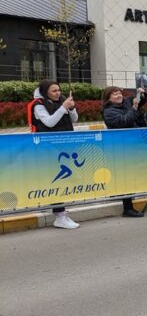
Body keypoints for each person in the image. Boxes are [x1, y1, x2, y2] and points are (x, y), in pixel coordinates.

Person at [30, 80, 80, 229]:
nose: (58, 93)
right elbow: (49, 123)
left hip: (64, 147)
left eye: (58, 90)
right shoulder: (39, 105)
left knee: (63, 179)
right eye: (54, 91)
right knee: (55, 179)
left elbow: (74, 119)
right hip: (48, 148)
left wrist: (71, 108)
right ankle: (60, 215)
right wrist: (63, 107)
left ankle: (61, 213)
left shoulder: (62, 101)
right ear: (46, 92)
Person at [102, 86, 146, 218]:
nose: (119, 96)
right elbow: (124, 122)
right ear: (108, 98)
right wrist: (134, 108)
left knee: (130, 175)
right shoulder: (109, 111)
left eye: (119, 93)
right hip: (121, 147)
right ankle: (128, 208)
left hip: (133, 144)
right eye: (114, 94)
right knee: (125, 176)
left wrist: (141, 95)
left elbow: (139, 101)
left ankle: (125, 198)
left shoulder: (125, 103)